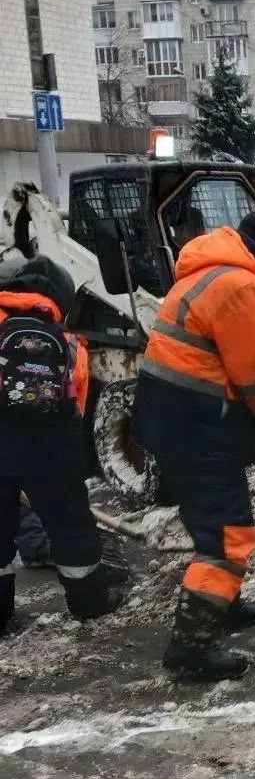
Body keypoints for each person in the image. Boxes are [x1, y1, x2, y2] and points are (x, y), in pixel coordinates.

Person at [132, 211, 255, 681]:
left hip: (174, 422)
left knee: (216, 520)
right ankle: (191, 647)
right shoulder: (242, 287)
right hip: (199, 428)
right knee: (229, 537)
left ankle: (223, 602)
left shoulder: (205, 273)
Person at [0, 257, 123, 633]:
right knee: (71, 527)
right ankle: (89, 604)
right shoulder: (69, 344)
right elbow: (77, 406)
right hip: (50, 453)